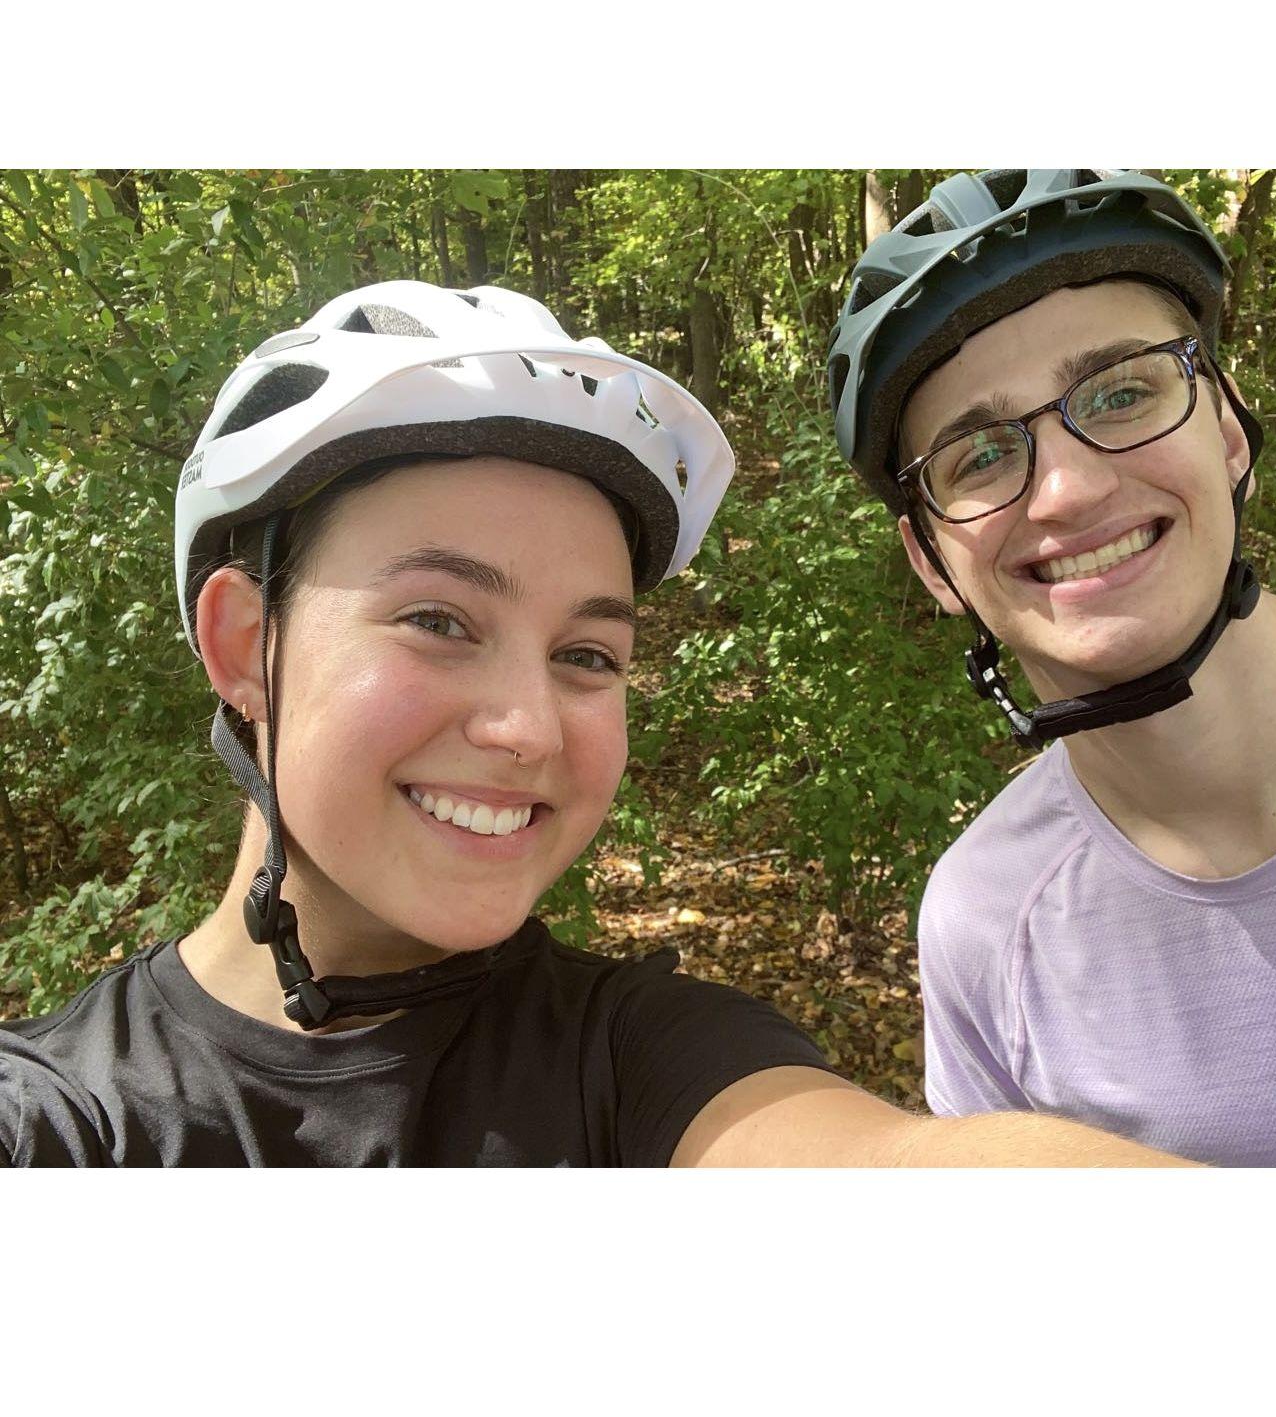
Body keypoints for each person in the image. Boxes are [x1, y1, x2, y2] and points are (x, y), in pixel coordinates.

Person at [0, 277, 1190, 1167]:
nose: (527, 726)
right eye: (438, 618)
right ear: (236, 646)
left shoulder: (646, 1063)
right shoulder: (57, 1118)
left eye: (586, 654)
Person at [828, 170, 1276, 1167]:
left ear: (1226, 429)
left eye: (1123, 391)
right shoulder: (987, 923)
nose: (1066, 487)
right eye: (978, 456)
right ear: (931, 561)